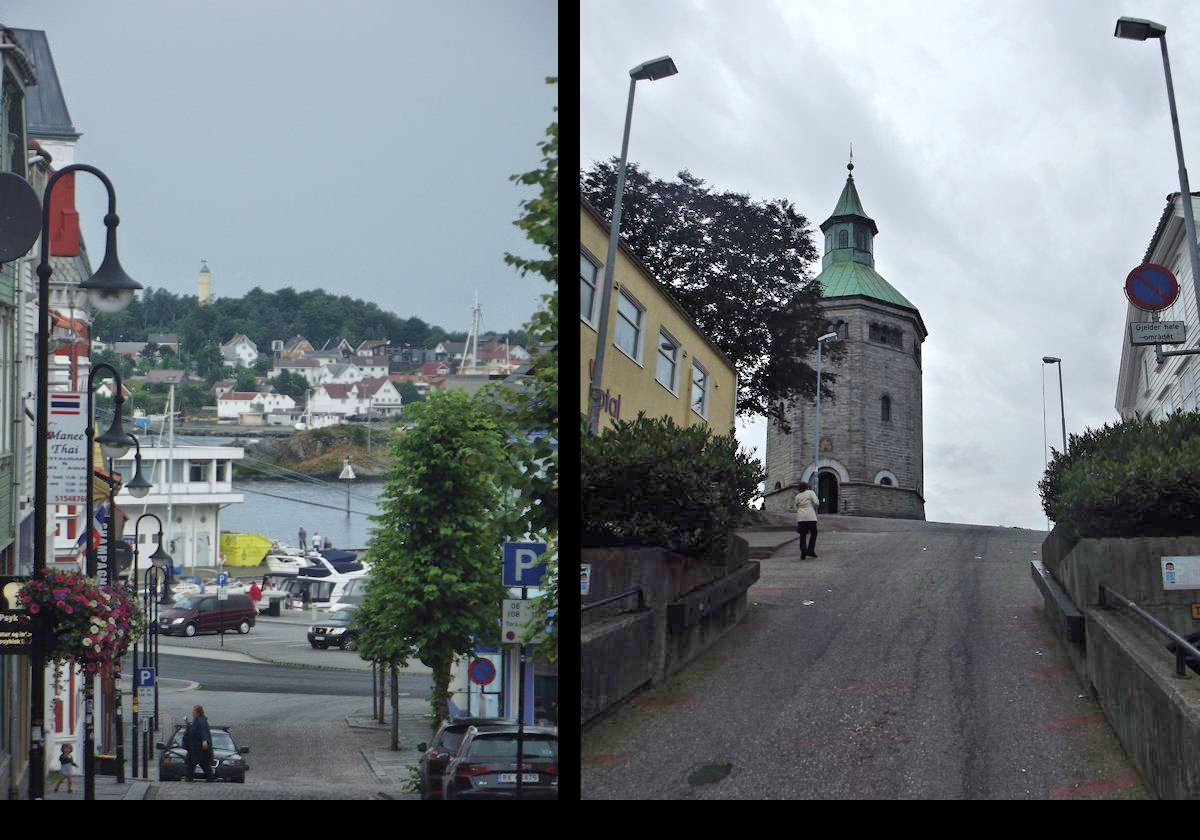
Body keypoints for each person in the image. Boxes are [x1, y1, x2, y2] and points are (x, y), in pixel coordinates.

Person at [184, 705, 215, 782]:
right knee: (192, 764)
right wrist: (187, 723)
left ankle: (209, 778)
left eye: (193, 711)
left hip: (199, 748)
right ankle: (189, 778)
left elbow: (203, 731)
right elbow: (193, 730)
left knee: (203, 764)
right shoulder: (196, 721)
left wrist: (205, 740)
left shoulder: (200, 721)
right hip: (194, 748)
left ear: (197, 712)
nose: (192, 712)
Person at [794, 481, 821, 559]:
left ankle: (803, 551)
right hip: (810, 517)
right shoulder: (810, 492)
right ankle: (810, 550)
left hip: (801, 518)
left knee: (802, 535)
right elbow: (816, 502)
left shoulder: (798, 496)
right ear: (807, 487)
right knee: (814, 534)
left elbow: (795, 506)